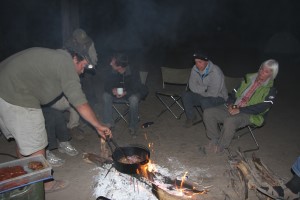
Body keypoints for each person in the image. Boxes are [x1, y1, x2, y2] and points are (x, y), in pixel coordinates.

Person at [0, 28, 112, 193]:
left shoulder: (56, 57)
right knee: (37, 144)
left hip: (4, 91)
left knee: (23, 140)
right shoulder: (66, 63)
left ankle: (26, 176)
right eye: (83, 65)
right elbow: (79, 101)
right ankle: (44, 185)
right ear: (75, 57)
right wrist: (98, 126)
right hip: (18, 95)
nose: (83, 71)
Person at [203, 59, 279, 153]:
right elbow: (234, 93)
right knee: (208, 112)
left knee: (230, 120)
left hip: (251, 113)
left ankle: (220, 147)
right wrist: (231, 104)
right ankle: (214, 139)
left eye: (266, 71)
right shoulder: (248, 78)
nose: (261, 73)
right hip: (236, 106)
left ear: (272, 74)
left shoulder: (271, 89)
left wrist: (240, 110)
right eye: (261, 69)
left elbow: (263, 107)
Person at [102, 53, 148, 136]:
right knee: (106, 95)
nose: (110, 63)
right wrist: (112, 90)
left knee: (134, 99)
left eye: (112, 62)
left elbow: (137, 87)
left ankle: (133, 126)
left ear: (119, 66)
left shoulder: (132, 71)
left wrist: (126, 92)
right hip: (116, 93)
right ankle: (108, 123)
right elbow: (106, 85)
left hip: (130, 93)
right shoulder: (111, 71)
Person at [182, 50, 228, 128]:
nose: (197, 65)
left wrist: (200, 90)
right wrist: (206, 89)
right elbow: (192, 86)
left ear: (206, 62)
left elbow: (214, 93)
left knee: (204, 101)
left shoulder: (215, 71)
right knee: (186, 95)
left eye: (200, 62)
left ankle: (212, 123)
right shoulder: (194, 69)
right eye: (195, 62)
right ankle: (191, 117)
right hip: (204, 95)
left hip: (219, 97)